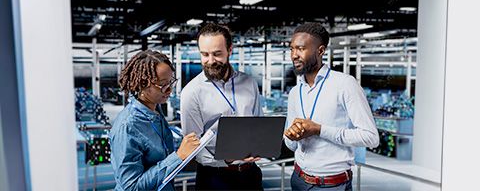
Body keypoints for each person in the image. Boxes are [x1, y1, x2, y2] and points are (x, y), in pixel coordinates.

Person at [284, 23, 380, 191]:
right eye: (292, 49)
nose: (294, 55)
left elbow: (371, 137)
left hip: (331, 185)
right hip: (298, 179)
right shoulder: (295, 91)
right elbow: (290, 145)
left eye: (300, 49)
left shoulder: (345, 84)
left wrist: (319, 130)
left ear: (320, 51)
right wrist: (291, 136)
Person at [180, 23, 264, 190]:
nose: (211, 61)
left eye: (217, 54)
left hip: (251, 175)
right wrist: (226, 160)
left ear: (230, 50)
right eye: (205, 54)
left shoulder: (249, 83)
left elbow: (258, 124)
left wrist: (260, 145)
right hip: (214, 178)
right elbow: (193, 148)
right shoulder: (192, 92)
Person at [109, 49, 200, 190]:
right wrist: (178, 156)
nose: (169, 90)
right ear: (143, 84)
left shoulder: (155, 111)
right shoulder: (128, 126)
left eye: (171, 82)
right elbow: (131, 187)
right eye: (163, 84)